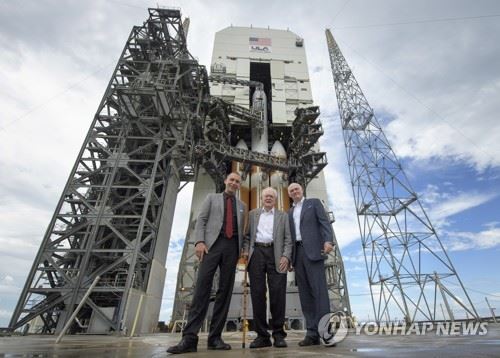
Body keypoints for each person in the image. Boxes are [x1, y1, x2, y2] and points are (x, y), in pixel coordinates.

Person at [167, 172, 247, 354]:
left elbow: (244, 231)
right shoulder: (212, 198)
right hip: (212, 246)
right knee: (202, 288)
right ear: (225, 181)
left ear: (239, 185)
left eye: (237, 181)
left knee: (224, 292)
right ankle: (189, 339)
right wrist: (199, 242)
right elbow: (202, 220)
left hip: (232, 249)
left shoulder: (242, 206)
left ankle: (215, 338)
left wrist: (242, 249)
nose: (234, 183)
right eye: (231, 180)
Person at [242, 187, 293, 349]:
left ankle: (278, 334)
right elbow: (247, 236)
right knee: (257, 294)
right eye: (266, 196)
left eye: (272, 196)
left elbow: (288, 239)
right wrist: (245, 250)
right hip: (256, 253)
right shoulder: (252, 214)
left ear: (275, 199)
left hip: (276, 254)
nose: (269, 198)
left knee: (278, 294)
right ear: (261, 199)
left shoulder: (283, 216)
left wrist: (286, 256)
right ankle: (262, 336)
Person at [287, 182, 335, 346]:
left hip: (314, 252)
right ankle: (312, 333)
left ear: (302, 190)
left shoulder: (313, 203)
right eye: (292, 190)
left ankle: (326, 333)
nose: (295, 192)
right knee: (305, 296)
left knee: (320, 294)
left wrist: (328, 240)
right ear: (289, 194)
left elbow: (324, 223)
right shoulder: (290, 212)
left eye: (297, 189)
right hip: (298, 255)